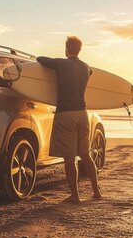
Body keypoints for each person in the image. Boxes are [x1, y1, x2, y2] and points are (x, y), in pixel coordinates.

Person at [37, 36, 102, 203]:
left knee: (69, 158)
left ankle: (75, 195)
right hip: (82, 114)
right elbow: (91, 72)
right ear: (80, 50)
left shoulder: (60, 63)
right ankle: (96, 191)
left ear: (66, 49)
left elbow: (40, 59)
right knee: (85, 155)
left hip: (66, 115)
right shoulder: (86, 67)